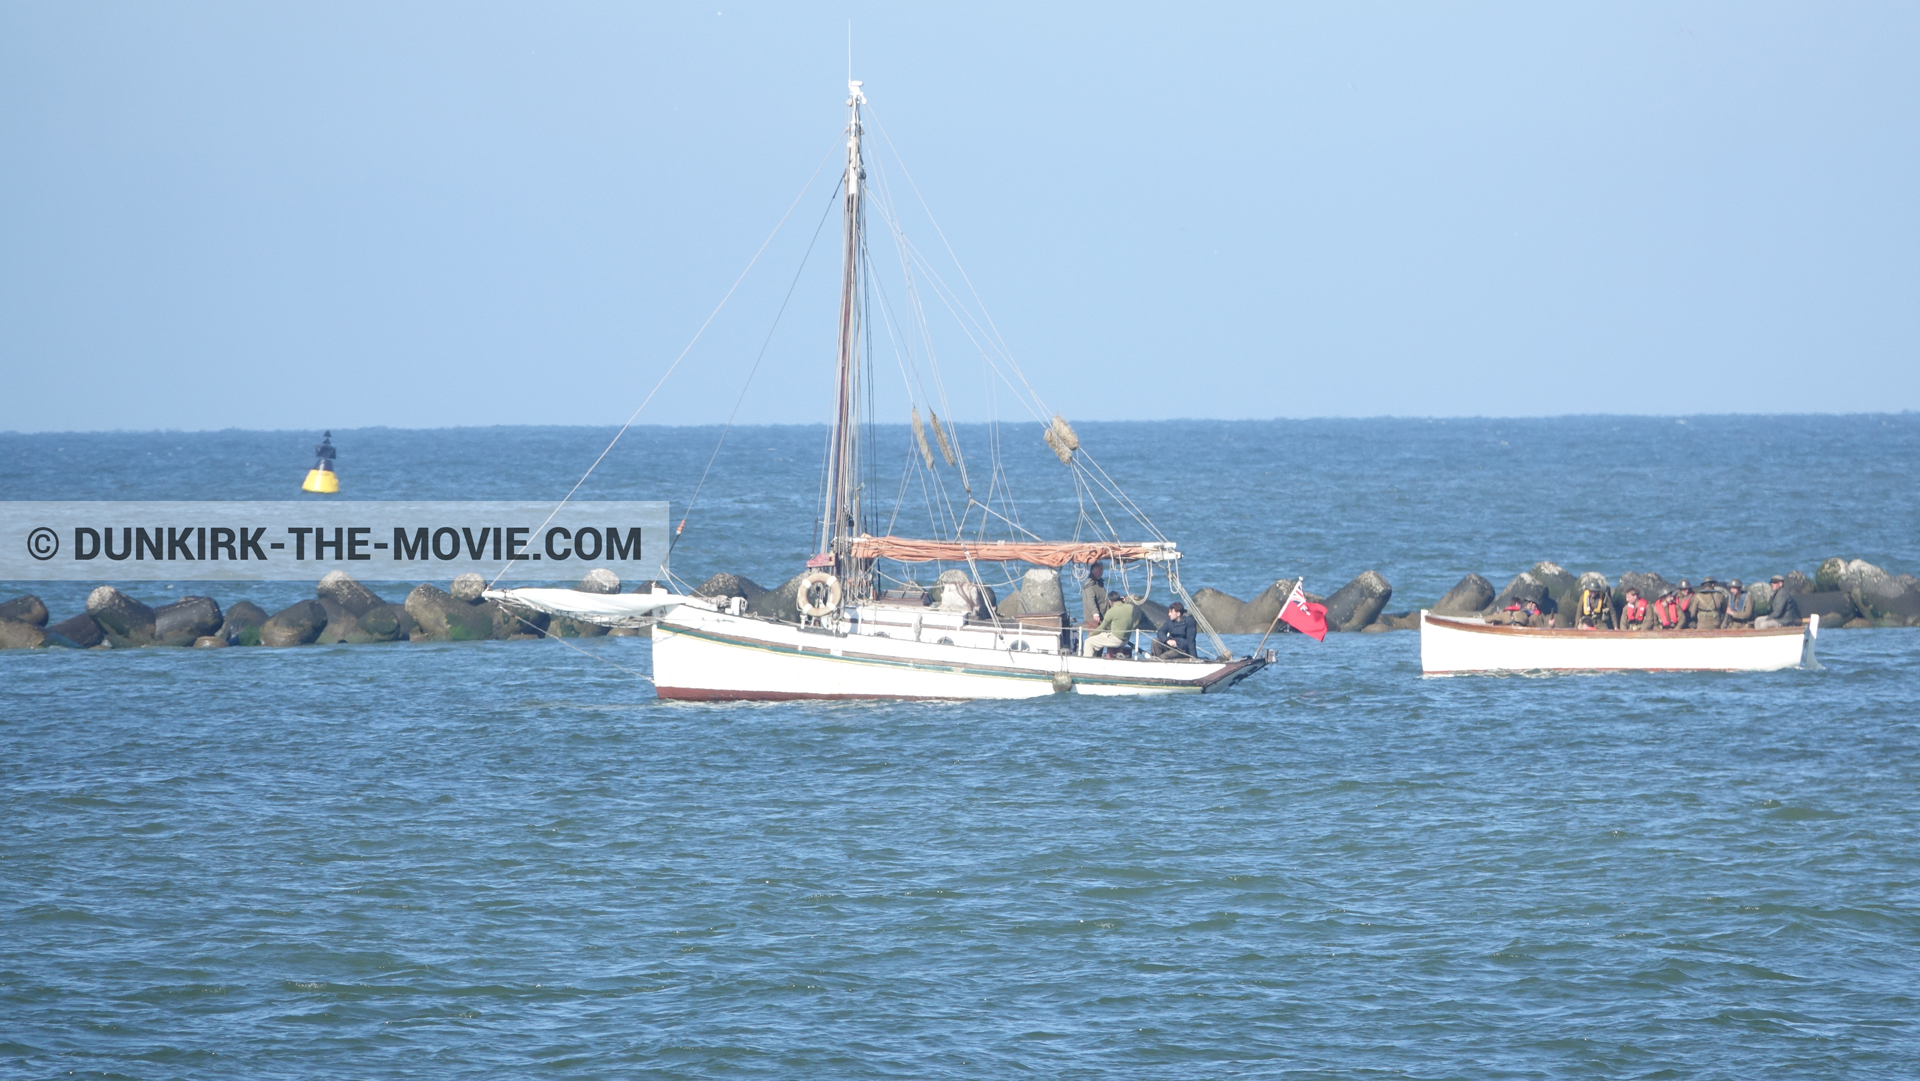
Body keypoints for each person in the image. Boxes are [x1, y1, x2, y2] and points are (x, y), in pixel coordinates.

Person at [1082, 590, 1137, 657]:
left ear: (1110, 601)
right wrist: (1123, 601)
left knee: (1088, 642)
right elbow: (1129, 602)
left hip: (1116, 640)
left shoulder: (1111, 611)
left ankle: (1087, 663)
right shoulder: (1130, 608)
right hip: (1125, 640)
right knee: (1104, 635)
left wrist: (1092, 634)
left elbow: (1102, 627)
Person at [1079, 560, 1111, 629]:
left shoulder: (1098, 583)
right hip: (1094, 618)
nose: (1101, 573)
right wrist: (1095, 613)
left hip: (1103, 615)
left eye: (1102, 570)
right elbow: (1090, 600)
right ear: (1093, 571)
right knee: (1094, 637)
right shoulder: (1090, 585)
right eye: (1100, 571)